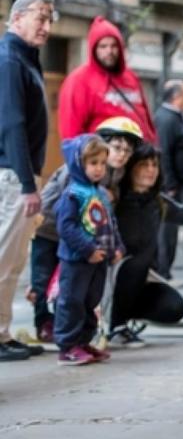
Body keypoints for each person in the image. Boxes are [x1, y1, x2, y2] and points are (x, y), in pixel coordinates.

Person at [29, 117, 140, 343]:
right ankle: (44, 323)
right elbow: (68, 203)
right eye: (117, 147)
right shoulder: (77, 170)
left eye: (127, 151)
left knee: (66, 284)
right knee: (43, 279)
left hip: (76, 235)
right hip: (49, 227)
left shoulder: (115, 172)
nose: (122, 155)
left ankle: (66, 326)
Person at [0, 0, 55, 362]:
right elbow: (11, 124)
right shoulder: (9, 59)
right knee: (4, 261)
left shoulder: (23, 58)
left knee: (13, 263)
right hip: (10, 177)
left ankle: (3, 333)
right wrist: (26, 183)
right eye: (40, 17)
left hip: (16, 176)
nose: (46, 27)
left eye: (50, 19)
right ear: (17, 18)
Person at [111, 143, 183, 347]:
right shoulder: (115, 199)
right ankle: (115, 325)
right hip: (110, 279)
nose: (151, 170)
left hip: (141, 280)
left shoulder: (157, 202)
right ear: (131, 168)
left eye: (154, 165)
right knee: (133, 263)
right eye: (144, 165)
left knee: (175, 308)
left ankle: (122, 316)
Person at [54, 135, 123, 366]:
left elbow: (110, 223)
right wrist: (88, 249)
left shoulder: (100, 193)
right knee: (72, 301)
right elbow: (66, 227)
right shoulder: (73, 194)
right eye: (93, 163)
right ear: (78, 164)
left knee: (90, 301)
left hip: (99, 260)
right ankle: (67, 346)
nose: (99, 168)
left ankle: (82, 342)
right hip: (77, 260)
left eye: (103, 163)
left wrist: (116, 247)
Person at [58, 15, 158, 143]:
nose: (109, 51)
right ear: (94, 48)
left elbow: (146, 118)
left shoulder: (130, 77)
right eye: (103, 46)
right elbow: (70, 131)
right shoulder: (79, 80)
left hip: (138, 151)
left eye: (114, 46)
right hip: (104, 152)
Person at [154, 80, 183, 279]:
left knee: (171, 231)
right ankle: (163, 273)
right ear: (177, 97)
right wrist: (169, 184)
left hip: (179, 184)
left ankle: (165, 271)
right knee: (166, 231)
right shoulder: (166, 119)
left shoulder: (176, 117)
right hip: (170, 187)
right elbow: (163, 153)